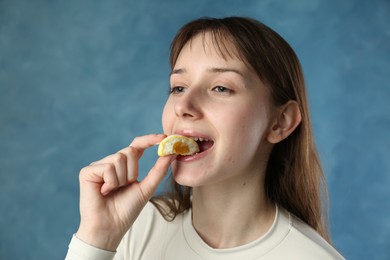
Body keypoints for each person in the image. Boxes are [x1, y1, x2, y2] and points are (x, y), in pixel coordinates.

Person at [65, 16, 345, 259]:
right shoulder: (133, 227)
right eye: (178, 88)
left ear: (280, 122)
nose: (184, 106)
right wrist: (97, 239)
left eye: (221, 88)